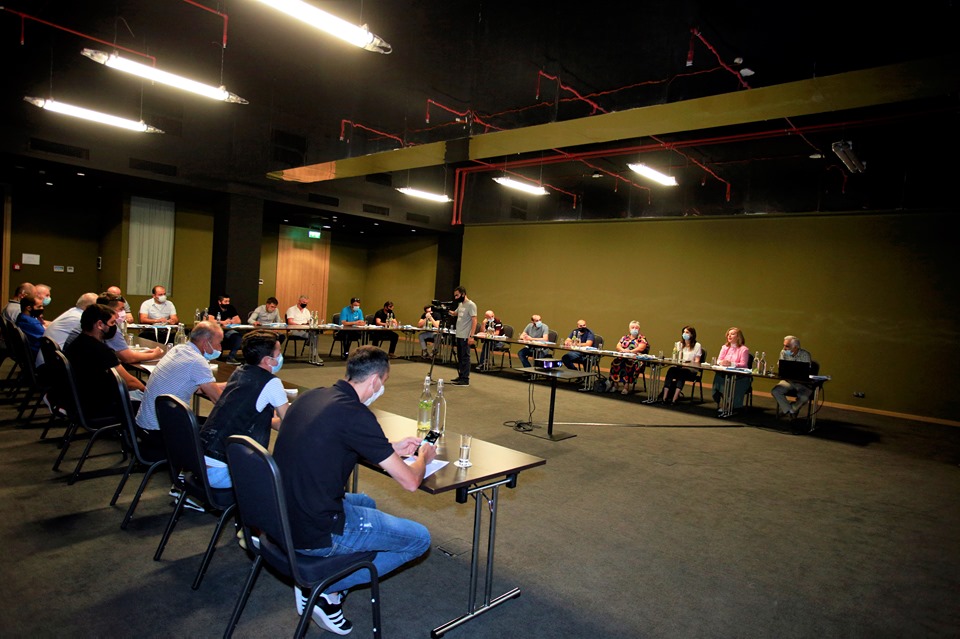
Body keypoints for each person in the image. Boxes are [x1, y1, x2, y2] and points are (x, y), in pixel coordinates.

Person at [273, 346, 435, 635]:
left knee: (367, 502)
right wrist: (423, 457)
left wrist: (391, 449)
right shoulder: (356, 414)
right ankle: (323, 587)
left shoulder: (312, 396)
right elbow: (411, 482)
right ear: (374, 380)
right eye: (383, 382)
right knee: (419, 539)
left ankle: (331, 572)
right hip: (315, 529)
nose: (381, 388)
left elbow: (335, 440)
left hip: (280, 513)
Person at [199, 330, 289, 488]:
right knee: (284, 478)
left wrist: (273, 420)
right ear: (268, 360)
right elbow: (290, 423)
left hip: (199, 462)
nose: (281, 356)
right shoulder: (271, 382)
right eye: (279, 352)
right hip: (221, 472)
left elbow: (250, 412)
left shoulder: (240, 371)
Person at [135, 322, 225, 459]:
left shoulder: (179, 349)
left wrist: (230, 384)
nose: (220, 348)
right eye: (219, 343)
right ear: (206, 343)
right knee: (219, 430)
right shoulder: (197, 361)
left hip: (145, 426)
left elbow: (199, 388)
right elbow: (219, 401)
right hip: (161, 432)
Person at [63, 304, 144, 422]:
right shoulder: (100, 350)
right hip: (98, 407)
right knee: (150, 404)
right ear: (100, 324)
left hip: (79, 402)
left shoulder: (77, 343)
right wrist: (148, 392)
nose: (114, 327)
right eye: (112, 323)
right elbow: (129, 382)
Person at [97, 292, 164, 365]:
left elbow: (120, 353)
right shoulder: (111, 328)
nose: (124, 312)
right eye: (121, 309)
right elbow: (128, 358)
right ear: (109, 310)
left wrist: (144, 353)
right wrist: (154, 355)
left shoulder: (95, 324)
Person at [35, 292, 99, 367]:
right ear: (89, 308)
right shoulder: (80, 319)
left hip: (46, 362)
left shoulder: (73, 312)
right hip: (52, 366)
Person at [772, 335, 814, 420]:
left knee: (805, 397)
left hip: (801, 383)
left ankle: (791, 409)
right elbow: (781, 367)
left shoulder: (805, 355)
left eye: (787, 346)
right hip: (788, 381)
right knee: (775, 391)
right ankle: (791, 411)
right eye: (784, 345)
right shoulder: (783, 352)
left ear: (795, 347)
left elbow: (806, 372)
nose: (784, 348)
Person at [711, 326, 751, 416]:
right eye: (728, 334)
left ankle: (731, 405)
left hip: (739, 376)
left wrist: (731, 364)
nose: (729, 336)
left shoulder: (744, 349)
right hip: (725, 374)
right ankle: (725, 402)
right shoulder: (725, 347)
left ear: (738, 337)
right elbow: (719, 360)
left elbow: (744, 364)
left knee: (732, 381)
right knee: (719, 377)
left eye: (732, 334)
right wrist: (721, 362)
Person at [660, 326, 704, 404]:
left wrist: (687, 365)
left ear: (692, 334)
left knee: (683, 372)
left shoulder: (697, 345)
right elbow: (676, 356)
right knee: (671, 370)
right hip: (679, 367)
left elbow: (697, 361)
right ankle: (665, 397)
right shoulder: (679, 344)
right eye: (684, 332)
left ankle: (675, 398)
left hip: (690, 370)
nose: (685, 334)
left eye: (687, 332)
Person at [606, 321, 649, 394]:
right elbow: (618, 346)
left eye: (636, 328)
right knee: (615, 362)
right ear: (629, 329)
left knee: (629, 364)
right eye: (633, 327)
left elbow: (641, 348)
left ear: (639, 329)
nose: (634, 329)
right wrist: (623, 350)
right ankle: (615, 385)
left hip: (636, 359)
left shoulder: (642, 338)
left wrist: (630, 351)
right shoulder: (625, 337)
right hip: (623, 357)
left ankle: (626, 387)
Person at [450, 286, 477, 385]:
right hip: (459, 334)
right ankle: (461, 375)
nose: (456, 297)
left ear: (463, 294)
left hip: (466, 335)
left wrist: (471, 336)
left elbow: (474, 320)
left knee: (465, 357)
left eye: (457, 295)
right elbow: (455, 313)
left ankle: (465, 379)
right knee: (460, 357)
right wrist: (446, 310)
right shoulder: (461, 304)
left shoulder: (471, 305)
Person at [206, 295, 242, 363]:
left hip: (228, 330)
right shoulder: (214, 308)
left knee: (238, 337)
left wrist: (230, 321)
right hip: (216, 330)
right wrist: (223, 322)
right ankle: (216, 359)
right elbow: (210, 320)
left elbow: (238, 321)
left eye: (228, 301)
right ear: (219, 302)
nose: (227, 303)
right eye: (225, 301)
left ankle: (231, 357)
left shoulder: (231, 308)